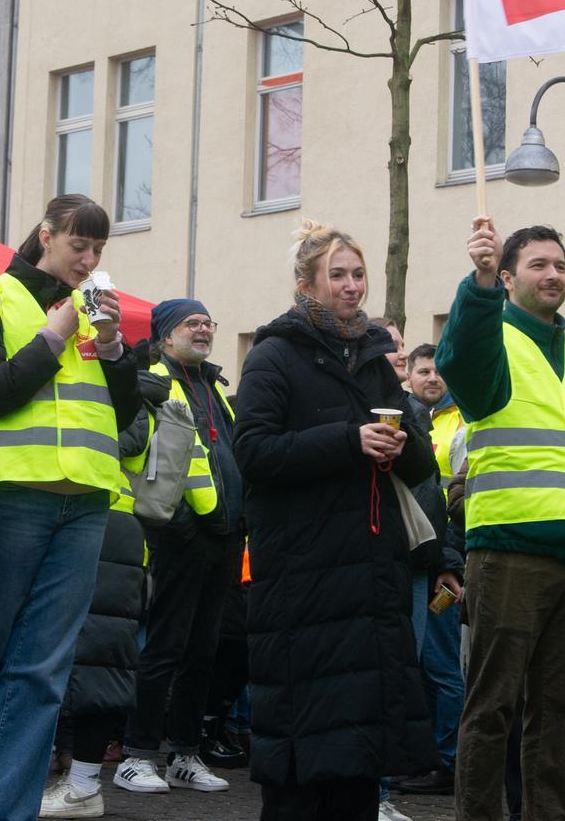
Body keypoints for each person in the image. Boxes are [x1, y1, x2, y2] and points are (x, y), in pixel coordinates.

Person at [435, 220, 565, 821]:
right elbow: (459, 361)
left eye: (561, 265)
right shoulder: (491, 336)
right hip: (509, 552)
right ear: (506, 277)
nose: (554, 275)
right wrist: (475, 285)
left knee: (562, 712)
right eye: (538, 265)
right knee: (492, 706)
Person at [234, 220, 435, 819]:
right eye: (339, 275)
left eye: (359, 274)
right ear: (306, 284)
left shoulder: (375, 360)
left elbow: (420, 466)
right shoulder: (274, 354)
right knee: (301, 765)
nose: (352, 286)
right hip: (302, 581)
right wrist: (349, 440)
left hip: (370, 581)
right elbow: (254, 452)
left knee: (358, 758)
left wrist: (402, 430)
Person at [0, 194, 141, 821]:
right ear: (46, 236)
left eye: (97, 250)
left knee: (44, 668)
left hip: (86, 503)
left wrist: (115, 352)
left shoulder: (94, 315)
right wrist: (51, 339)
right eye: (78, 245)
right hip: (16, 498)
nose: (88, 260)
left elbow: (125, 414)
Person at [114, 299, 239, 797]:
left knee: (202, 651)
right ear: (165, 336)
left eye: (209, 322)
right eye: (193, 323)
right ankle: (136, 753)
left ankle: (185, 754)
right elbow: (134, 450)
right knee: (165, 647)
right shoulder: (153, 380)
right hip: (177, 534)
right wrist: (183, 524)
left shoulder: (212, 384)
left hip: (223, 537)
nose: (204, 330)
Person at [42, 420, 151, 819]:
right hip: (94, 514)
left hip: (99, 515)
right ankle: (73, 781)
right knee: (84, 658)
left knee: (100, 659)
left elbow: (131, 436)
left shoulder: (119, 367)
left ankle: (82, 784)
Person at [388, 344, 464, 797]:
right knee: (415, 666)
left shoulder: (463, 420)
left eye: (439, 371)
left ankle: (447, 760)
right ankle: (423, 759)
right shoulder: (402, 418)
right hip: (421, 556)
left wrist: (448, 561)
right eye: (423, 371)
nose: (432, 377)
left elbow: (439, 503)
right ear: (409, 378)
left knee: (440, 667)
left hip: (442, 560)